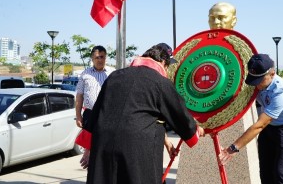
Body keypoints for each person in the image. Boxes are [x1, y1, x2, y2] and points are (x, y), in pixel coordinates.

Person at [81, 43, 205, 184]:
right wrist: (195, 130)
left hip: (103, 146)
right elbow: (179, 116)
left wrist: (87, 149)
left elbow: (96, 113)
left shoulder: (115, 76)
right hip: (136, 151)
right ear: (163, 62)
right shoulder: (160, 82)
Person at [218, 54, 283, 184]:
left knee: (281, 173)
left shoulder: (281, 91)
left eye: (260, 80)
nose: (256, 85)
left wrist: (233, 148)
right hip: (269, 129)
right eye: (254, 80)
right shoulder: (257, 83)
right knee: (265, 171)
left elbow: (260, 125)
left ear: (272, 73)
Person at [75, 45, 113, 129]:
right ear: (92, 59)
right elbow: (79, 96)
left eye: (102, 57)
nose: (100, 60)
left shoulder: (112, 73)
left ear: (105, 58)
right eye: (97, 57)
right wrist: (78, 116)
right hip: (89, 114)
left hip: (107, 115)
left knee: (104, 141)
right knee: (89, 141)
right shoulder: (85, 74)